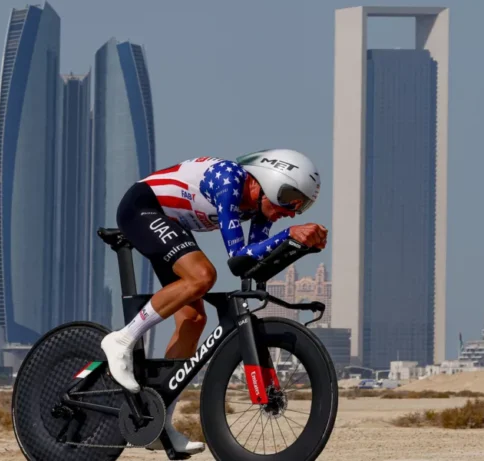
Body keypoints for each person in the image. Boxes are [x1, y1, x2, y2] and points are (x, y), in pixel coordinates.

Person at [101, 149, 328, 454]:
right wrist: (289, 233)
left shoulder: (260, 208)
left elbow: (253, 263)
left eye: (302, 207)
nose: (292, 211)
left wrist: (299, 245)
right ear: (273, 181)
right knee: (202, 277)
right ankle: (122, 339)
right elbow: (237, 257)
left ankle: (158, 423)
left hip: (170, 224)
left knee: (194, 320)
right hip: (142, 208)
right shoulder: (229, 180)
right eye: (291, 200)